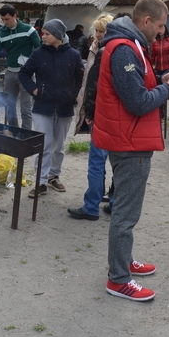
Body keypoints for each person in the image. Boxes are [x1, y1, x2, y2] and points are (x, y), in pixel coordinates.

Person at [93, 0, 169, 301]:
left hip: (128, 138)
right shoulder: (124, 50)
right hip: (129, 142)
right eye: (160, 25)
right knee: (125, 213)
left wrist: (161, 78)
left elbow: (136, 84)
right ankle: (118, 279)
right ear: (146, 21)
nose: (161, 32)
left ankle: (123, 260)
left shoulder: (129, 45)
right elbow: (137, 101)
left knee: (124, 209)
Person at [19, 19, 84, 198]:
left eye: (47, 33)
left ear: (57, 35)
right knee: (44, 145)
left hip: (64, 108)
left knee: (59, 146)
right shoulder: (38, 54)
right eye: (44, 33)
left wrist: (73, 95)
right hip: (42, 107)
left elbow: (80, 78)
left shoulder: (73, 55)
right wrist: (33, 89)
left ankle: (54, 176)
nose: (43, 36)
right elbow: (23, 73)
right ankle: (40, 182)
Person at [68, 13, 114, 221]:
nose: (98, 34)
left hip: (103, 115)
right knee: (113, 161)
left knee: (97, 161)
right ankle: (112, 201)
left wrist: (90, 112)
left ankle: (91, 206)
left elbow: (95, 87)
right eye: (96, 30)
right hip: (110, 115)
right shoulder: (100, 48)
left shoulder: (105, 52)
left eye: (102, 31)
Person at [0, 4, 41, 130]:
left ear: (15, 16)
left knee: (25, 108)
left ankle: (26, 134)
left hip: (26, 74)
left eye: (7, 19)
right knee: (9, 107)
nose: (5, 22)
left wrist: (33, 65)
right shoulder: (1, 35)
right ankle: (14, 133)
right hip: (10, 73)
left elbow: (39, 48)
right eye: (3, 19)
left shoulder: (29, 30)